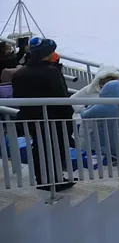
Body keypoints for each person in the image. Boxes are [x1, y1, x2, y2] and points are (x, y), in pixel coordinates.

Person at [12, 38, 75, 190]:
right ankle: (55, 180)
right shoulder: (50, 72)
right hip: (53, 118)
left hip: (31, 117)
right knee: (56, 147)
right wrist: (68, 117)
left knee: (39, 146)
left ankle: (43, 178)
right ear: (47, 54)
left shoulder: (20, 73)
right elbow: (61, 96)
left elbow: (18, 97)